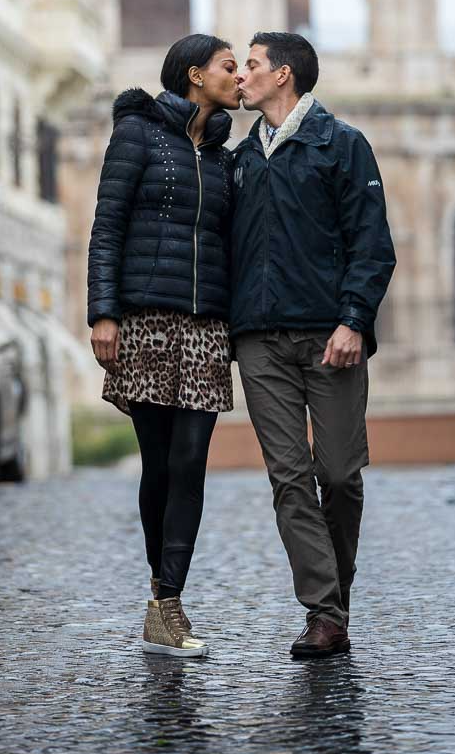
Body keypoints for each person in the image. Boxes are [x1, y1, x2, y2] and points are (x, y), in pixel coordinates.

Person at [230, 32, 396, 658]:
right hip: (259, 342)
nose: (241, 77)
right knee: (290, 478)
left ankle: (336, 601)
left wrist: (353, 319)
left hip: (332, 337)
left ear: (285, 75)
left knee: (339, 475)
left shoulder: (342, 146)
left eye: (251, 65)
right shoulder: (241, 158)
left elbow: (372, 244)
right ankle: (324, 614)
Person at [87, 33, 241, 658]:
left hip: (206, 327)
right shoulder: (138, 135)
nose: (238, 77)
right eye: (229, 67)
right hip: (146, 319)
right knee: (158, 464)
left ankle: (168, 598)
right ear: (193, 75)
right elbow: (107, 227)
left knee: (191, 460)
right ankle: (162, 595)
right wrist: (103, 313)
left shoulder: (228, 157)